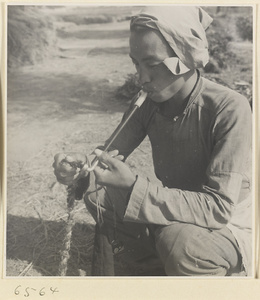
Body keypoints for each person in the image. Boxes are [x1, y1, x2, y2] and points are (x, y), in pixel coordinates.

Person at [53, 6, 252, 276]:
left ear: (185, 56)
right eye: (136, 63)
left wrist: (135, 187)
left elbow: (218, 209)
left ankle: (195, 261)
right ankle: (165, 257)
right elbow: (108, 154)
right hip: (181, 214)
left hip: (230, 226)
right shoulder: (148, 101)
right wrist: (80, 167)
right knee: (95, 189)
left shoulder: (229, 108)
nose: (141, 78)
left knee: (182, 244)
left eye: (153, 64)